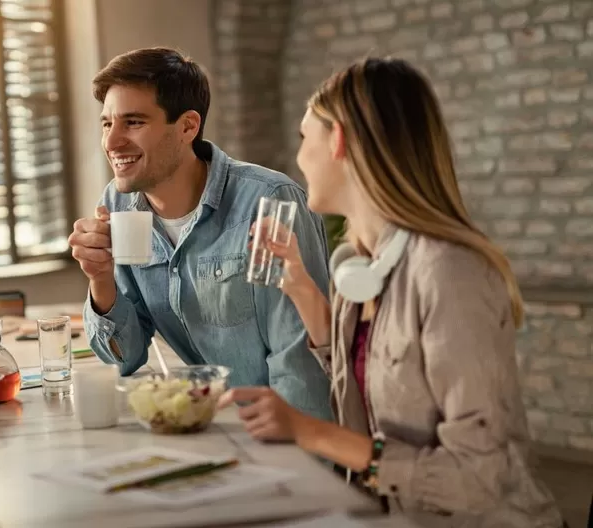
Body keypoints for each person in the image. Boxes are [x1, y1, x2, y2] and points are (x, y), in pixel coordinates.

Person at [218, 58, 564, 526]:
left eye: (305, 138)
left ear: (338, 139)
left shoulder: (449, 273)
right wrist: (298, 286)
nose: (298, 158)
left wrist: (309, 432)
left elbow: (480, 477)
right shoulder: (360, 263)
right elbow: (364, 373)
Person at [69, 47, 332, 420]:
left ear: (188, 127)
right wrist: (100, 281)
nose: (112, 143)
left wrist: (293, 469)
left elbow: (301, 367)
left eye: (134, 122)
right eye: (108, 123)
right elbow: (122, 359)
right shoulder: (118, 204)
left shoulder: (268, 203)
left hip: (279, 438)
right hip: (206, 425)